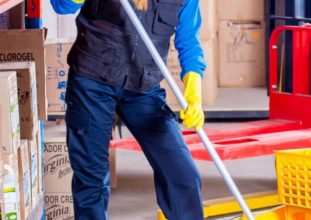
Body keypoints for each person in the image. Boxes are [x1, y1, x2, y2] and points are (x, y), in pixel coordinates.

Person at [50, 0, 206, 219]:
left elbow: (188, 41)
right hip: (92, 82)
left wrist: (194, 93)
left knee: (182, 175)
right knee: (91, 182)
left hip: (144, 88)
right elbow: (61, 6)